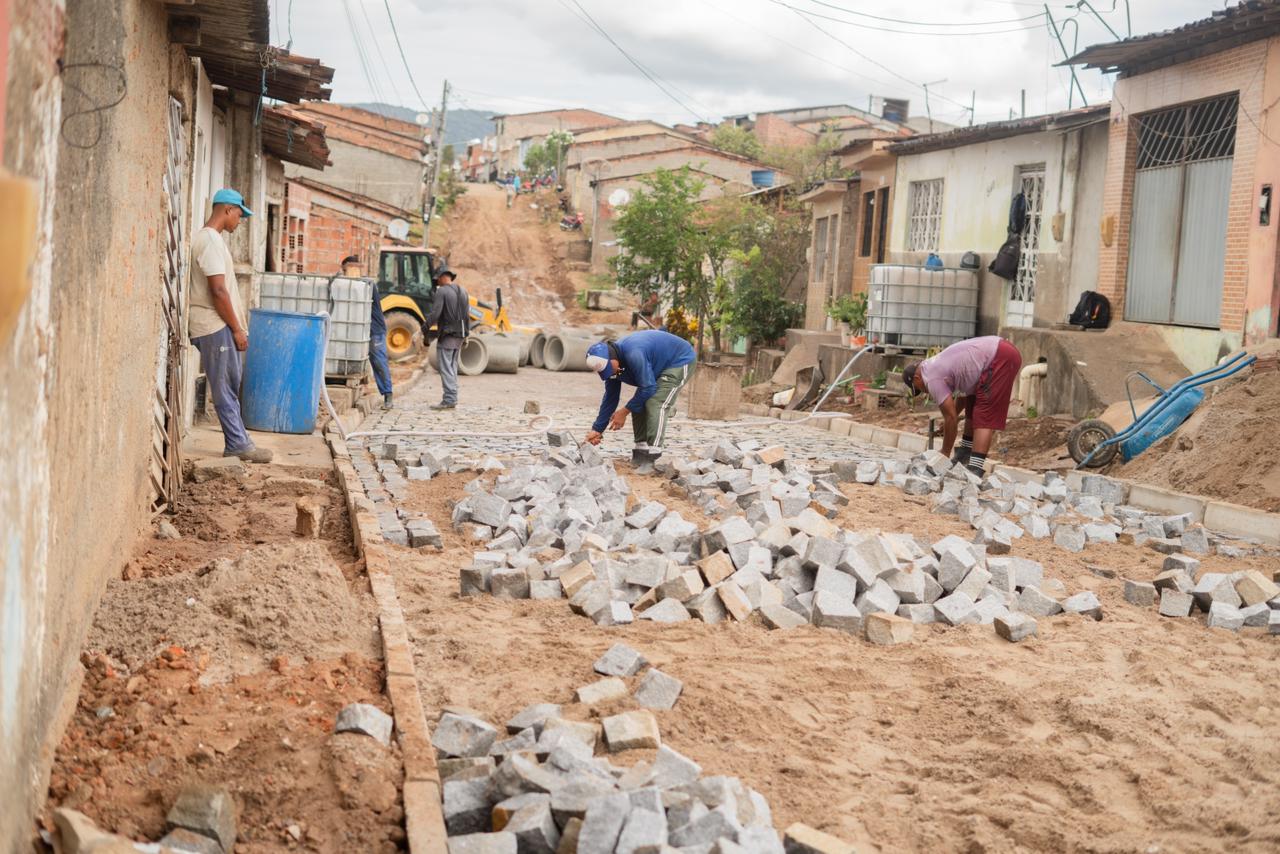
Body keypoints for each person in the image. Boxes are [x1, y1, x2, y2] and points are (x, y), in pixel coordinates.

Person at [188, 189, 271, 463]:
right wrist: (236, 328)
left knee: (230, 383)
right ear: (226, 209)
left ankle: (240, 441)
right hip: (214, 324)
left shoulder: (214, 240)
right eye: (239, 214)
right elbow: (219, 291)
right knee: (224, 385)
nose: (240, 220)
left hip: (217, 323)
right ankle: (237, 444)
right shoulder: (210, 240)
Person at [902, 335, 1023, 477]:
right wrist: (948, 422)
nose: (924, 391)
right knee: (972, 404)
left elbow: (951, 417)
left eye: (919, 388)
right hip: (997, 351)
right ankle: (965, 452)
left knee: (984, 412)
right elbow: (962, 399)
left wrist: (945, 453)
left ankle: (975, 468)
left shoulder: (930, 378)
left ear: (917, 378)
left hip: (1000, 356)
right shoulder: (935, 366)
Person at [584, 329, 696, 475]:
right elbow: (611, 397)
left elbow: (648, 388)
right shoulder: (613, 366)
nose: (609, 373)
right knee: (639, 401)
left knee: (655, 402)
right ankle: (641, 451)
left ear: (611, 358)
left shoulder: (634, 354)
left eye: (608, 369)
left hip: (679, 361)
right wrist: (597, 429)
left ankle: (653, 458)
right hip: (655, 369)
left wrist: (623, 412)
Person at [341, 255, 393, 410]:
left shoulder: (367, 285)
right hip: (359, 329)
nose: (344, 273)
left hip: (374, 329)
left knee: (378, 361)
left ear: (352, 268)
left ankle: (388, 395)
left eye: (345, 269)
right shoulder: (352, 284)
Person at [425, 265, 470, 410]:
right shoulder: (463, 291)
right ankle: (452, 397)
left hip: (447, 335)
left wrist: (423, 329)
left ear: (443, 277)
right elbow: (466, 315)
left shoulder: (442, 292)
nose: (437, 283)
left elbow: (435, 314)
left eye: (437, 280)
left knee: (446, 368)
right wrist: (467, 334)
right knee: (452, 367)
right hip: (460, 336)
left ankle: (450, 399)